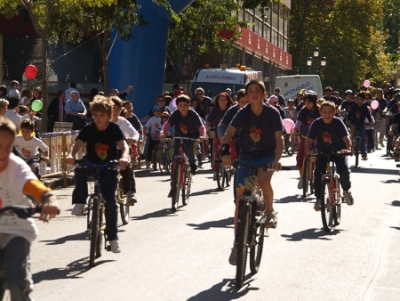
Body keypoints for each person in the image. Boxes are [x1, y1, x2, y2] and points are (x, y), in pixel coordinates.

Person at [220, 79, 283, 266]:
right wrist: (225, 152)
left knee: (263, 181)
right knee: (240, 201)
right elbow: (229, 133)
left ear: (264, 95)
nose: (254, 93)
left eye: (258, 90)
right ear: (246, 96)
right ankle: (237, 245)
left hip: (266, 157)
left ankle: (270, 211)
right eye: (251, 91)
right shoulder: (242, 113)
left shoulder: (272, 113)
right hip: (245, 158)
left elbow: (279, 139)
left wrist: (276, 160)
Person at [0, 116, 59, 300]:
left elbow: (30, 183)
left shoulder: (15, 165)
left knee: (16, 281)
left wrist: (47, 197)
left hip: (17, 228)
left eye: (9, 147)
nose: (3, 153)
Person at [66, 96, 129, 253]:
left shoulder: (114, 129)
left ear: (109, 116)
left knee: (111, 203)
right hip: (91, 164)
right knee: (79, 169)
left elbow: (124, 145)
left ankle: (113, 238)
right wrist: (70, 154)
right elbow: (77, 144)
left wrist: (124, 156)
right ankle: (80, 202)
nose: (98, 118)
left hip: (109, 166)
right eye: (95, 115)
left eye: (102, 115)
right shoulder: (88, 128)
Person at [305, 101, 353, 211]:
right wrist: (308, 150)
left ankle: (346, 190)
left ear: (334, 112)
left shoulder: (338, 122)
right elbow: (309, 139)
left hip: (338, 151)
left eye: (330, 112)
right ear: (320, 112)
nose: (327, 114)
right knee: (318, 173)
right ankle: (318, 199)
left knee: (343, 169)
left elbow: (346, 138)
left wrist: (348, 148)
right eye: (325, 112)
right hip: (322, 151)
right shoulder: (316, 123)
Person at [160, 94, 206, 198]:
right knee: (175, 159)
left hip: (192, 135)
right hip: (179, 135)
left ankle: (193, 164)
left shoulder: (193, 114)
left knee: (189, 147)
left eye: (185, 105)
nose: (183, 107)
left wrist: (203, 135)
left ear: (189, 105)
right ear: (177, 106)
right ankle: (173, 187)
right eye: (180, 105)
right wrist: (164, 132)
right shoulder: (176, 114)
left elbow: (201, 126)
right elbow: (168, 124)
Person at [110, 96, 139, 205]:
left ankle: (130, 192)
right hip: (107, 151)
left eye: (117, 108)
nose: (115, 111)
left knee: (126, 167)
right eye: (112, 108)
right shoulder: (102, 120)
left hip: (123, 150)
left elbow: (134, 132)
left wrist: (133, 139)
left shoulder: (123, 121)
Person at [293, 90, 320, 189]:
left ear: (314, 102)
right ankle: (302, 177)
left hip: (317, 138)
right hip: (304, 137)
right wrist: (295, 131)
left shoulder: (319, 111)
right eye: (306, 102)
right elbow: (298, 123)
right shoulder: (303, 112)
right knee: (299, 157)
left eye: (310, 102)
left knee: (319, 158)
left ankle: (318, 177)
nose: (307, 104)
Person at [206, 92, 233, 178]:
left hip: (230, 133)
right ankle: (216, 170)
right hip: (218, 133)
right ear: (217, 101)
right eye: (220, 100)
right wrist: (206, 128)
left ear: (228, 101)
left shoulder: (230, 109)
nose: (222, 102)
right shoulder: (215, 109)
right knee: (216, 152)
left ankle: (231, 164)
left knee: (231, 149)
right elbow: (209, 120)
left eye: (224, 100)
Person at [347, 92, 373, 160]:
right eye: (357, 99)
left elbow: (368, 115)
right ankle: (350, 147)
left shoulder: (364, 107)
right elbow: (350, 114)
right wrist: (348, 120)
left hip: (361, 124)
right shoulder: (354, 106)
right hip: (354, 123)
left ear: (363, 100)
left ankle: (364, 155)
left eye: (360, 99)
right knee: (351, 132)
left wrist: (370, 122)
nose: (359, 100)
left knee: (363, 139)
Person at [143, 105, 162, 169]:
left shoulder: (162, 118)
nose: (158, 112)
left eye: (159, 111)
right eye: (156, 111)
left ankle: (163, 162)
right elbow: (146, 126)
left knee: (161, 149)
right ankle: (148, 163)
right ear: (153, 112)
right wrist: (145, 132)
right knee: (150, 149)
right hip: (152, 136)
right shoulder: (152, 119)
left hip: (161, 136)